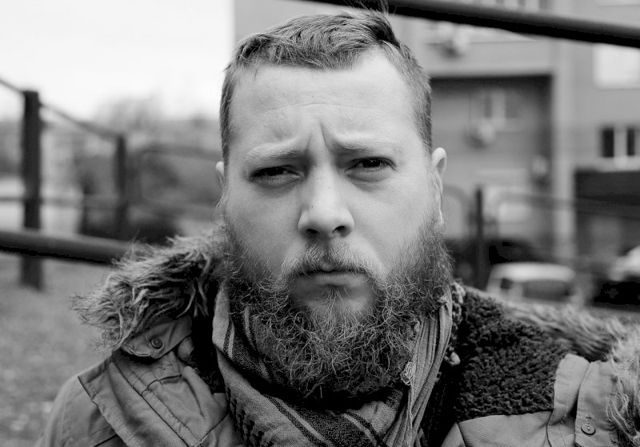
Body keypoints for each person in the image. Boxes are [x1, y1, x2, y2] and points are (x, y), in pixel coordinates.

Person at [38, 8, 639, 447]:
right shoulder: (101, 418)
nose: (325, 213)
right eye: (276, 171)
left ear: (435, 190)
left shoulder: (586, 417)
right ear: (224, 197)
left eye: (368, 164)